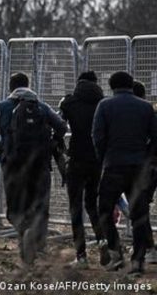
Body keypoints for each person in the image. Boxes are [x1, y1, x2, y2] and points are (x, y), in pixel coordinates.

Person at [0, 72, 67, 266]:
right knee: (40, 205)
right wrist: (52, 142)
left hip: (13, 165)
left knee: (15, 208)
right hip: (40, 164)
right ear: (28, 85)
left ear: (10, 88)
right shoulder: (42, 107)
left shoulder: (1, 108)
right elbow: (61, 127)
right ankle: (39, 243)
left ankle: (24, 231)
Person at [93, 71, 157, 274]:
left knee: (104, 210)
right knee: (139, 214)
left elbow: (98, 136)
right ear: (131, 85)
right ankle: (138, 261)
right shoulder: (146, 107)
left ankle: (115, 250)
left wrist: (104, 158)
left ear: (112, 86)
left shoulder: (104, 106)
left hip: (113, 166)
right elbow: (155, 138)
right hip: (139, 167)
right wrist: (146, 159)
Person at [58, 71, 106, 268]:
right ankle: (103, 241)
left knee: (75, 207)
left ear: (78, 82)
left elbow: (58, 128)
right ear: (96, 84)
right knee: (93, 204)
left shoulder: (68, 102)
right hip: (97, 160)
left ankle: (82, 255)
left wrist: (63, 150)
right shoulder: (103, 103)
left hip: (76, 158)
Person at [133, 81, 157, 264]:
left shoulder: (141, 114)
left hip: (148, 166)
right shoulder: (150, 111)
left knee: (141, 207)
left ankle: (149, 247)